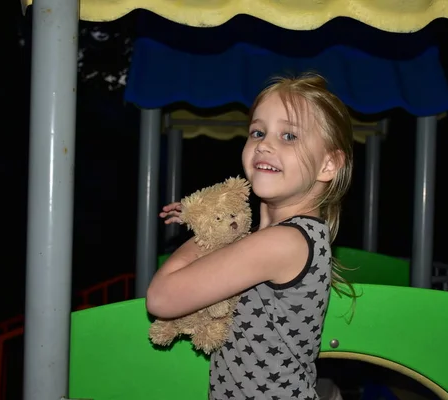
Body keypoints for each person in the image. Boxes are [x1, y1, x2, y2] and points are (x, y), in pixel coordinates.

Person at [146, 72, 355, 400]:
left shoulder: (283, 242)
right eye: (258, 132)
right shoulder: (285, 238)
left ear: (327, 165)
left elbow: (161, 298)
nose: (265, 144)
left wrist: (210, 227)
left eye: (289, 136)